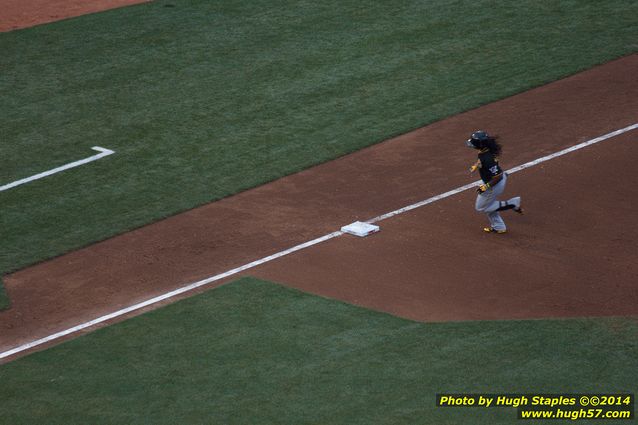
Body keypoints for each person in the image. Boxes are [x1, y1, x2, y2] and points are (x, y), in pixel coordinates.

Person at [465, 130, 522, 233]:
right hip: (493, 181)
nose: (472, 144)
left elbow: (497, 177)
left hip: (494, 184)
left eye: (474, 142)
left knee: (481, 207)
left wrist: (485, 187)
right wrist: (477, 165)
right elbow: (483, 161)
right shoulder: (485, 151)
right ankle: (499, 226)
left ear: (480, 144)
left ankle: (512, 203)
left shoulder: (488, 158)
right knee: (489, 204)